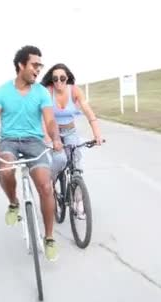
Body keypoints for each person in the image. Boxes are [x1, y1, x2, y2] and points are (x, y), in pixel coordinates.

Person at [0, 45, 63, 262]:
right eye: (35, 65)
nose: (38, 70)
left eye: (40, 65)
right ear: (21, 65)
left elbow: (49, 120)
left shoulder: (41, 93)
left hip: (34, 141)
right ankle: (13, 202)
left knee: (46, 187)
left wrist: (55, 138)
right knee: (6, 170)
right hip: (9, 141)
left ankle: (48, 238)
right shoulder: (1, 91)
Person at [40, 63, 103, 219]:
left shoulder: (74, 90)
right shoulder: (48, 92)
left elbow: (88, 111)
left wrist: (97, 134)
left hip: (70, 131)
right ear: (52, 80)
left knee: (77, 165)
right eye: (55, 79)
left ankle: (79, 203)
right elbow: (43, 117)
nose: (59, 82)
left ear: (67, 78)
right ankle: (51, 185)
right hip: (53, 132)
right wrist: (49, 139)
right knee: (60, 159)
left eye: (62, 78)